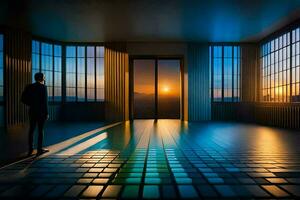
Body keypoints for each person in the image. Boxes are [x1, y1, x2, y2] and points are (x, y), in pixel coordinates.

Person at [21, 72, 49, 156]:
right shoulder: (43, 87)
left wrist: (31, 104)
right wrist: (46, 113)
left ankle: (30, 149)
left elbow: (23, 99)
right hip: (41, 112)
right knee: (40, 130)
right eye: (44, 77)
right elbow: (45, 102)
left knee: (31, 130)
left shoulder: (29, 87)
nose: (44, 78)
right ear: (41, 78)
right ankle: (39, 149)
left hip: (32, 111)